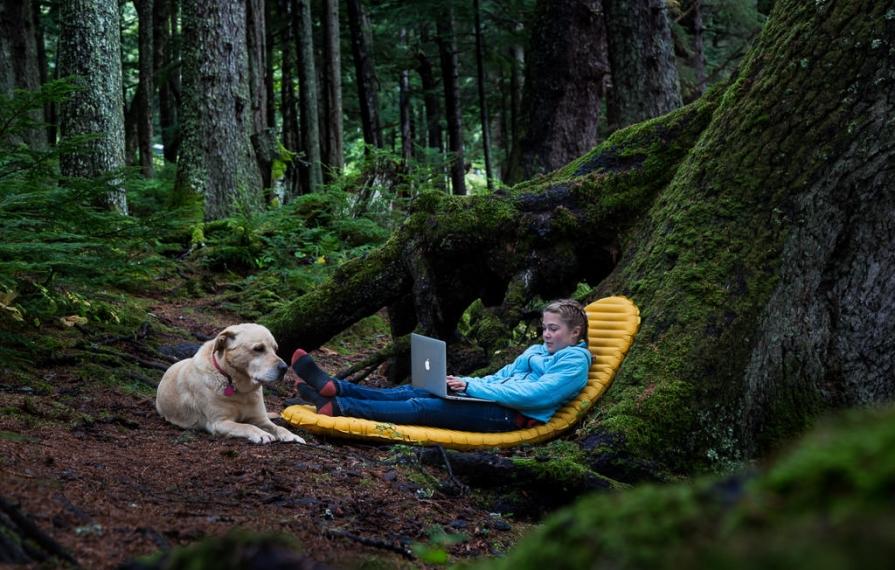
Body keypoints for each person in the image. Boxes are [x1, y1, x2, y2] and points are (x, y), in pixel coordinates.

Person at [290, 299, 591, 432]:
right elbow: (500, 376)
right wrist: (464, 384)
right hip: (490, 400)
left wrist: (471, 387)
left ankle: (340, 407)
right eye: (544, 327)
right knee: (413, 390)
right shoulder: (537, 350)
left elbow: (536, 396)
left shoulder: (574, 362)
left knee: (421, 407)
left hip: (511, 416)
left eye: (553, 329)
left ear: (575, 332)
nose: (546, 334)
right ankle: (335, 389)